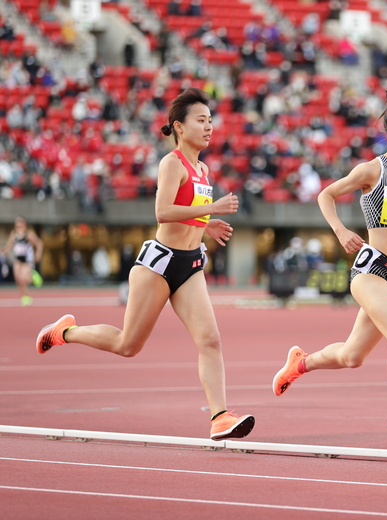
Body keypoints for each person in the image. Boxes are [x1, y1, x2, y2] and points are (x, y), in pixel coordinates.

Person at [35, 88, 254, 441]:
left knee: (210, 340)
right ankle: (66, 332)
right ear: (179, 127)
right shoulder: (172, 163)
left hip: (191, 265)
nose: (209, 127)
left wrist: (206, 225)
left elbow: (185, 214)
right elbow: (162, 212)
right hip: (159, 264)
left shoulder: (203, 168)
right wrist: (210, 210)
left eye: (211, 121)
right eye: (201, 120)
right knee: (128, 345)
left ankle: (220, 417)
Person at [272, 87, 387, 454]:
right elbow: (325, 195)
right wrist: (342, 231)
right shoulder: (372, 170)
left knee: (351, 356)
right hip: (372, 271)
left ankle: (300, 363)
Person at [2, 216, 43, 306]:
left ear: (24, 224)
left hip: (27, 259)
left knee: (24, 279)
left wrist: (38, 253)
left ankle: (33, 276)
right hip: (18, 259)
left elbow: (39, 243)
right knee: (18, 279)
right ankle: (25, 296)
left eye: (20, 222)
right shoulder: (14, 234)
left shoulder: (28, 234)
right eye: (17, 222)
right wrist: (5, 250)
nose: (18, 224)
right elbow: (9, 246)